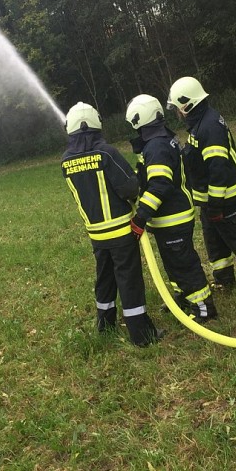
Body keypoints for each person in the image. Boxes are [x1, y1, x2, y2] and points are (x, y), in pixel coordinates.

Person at [61, 102, 162, 347]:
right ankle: (141, 334)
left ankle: (105, 325)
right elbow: (129, 188)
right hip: (121, 231)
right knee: (129, 280)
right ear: (96, 124)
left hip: (96, 234)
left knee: (104, 279)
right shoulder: (106, 153)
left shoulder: (66, 161)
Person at [167, 77, 236, 293]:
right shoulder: (200, 123)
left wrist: (215, 204)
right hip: (210, 202)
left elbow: (218, 168)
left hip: (224, 200)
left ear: (187, 105)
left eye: (177, 108)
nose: (177, 113)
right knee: (215, 242)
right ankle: (224, 279)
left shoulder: (209, 126)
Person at [125, 94, 218, 323]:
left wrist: (141, 217)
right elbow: (151, 176)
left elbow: (160, 185)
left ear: (139, 120)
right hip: (170, 217)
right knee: (173, 262)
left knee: (183, 264)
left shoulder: (156, 146)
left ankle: (203, 306)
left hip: (173, 218)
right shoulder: (161, 139)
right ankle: (184, 296)